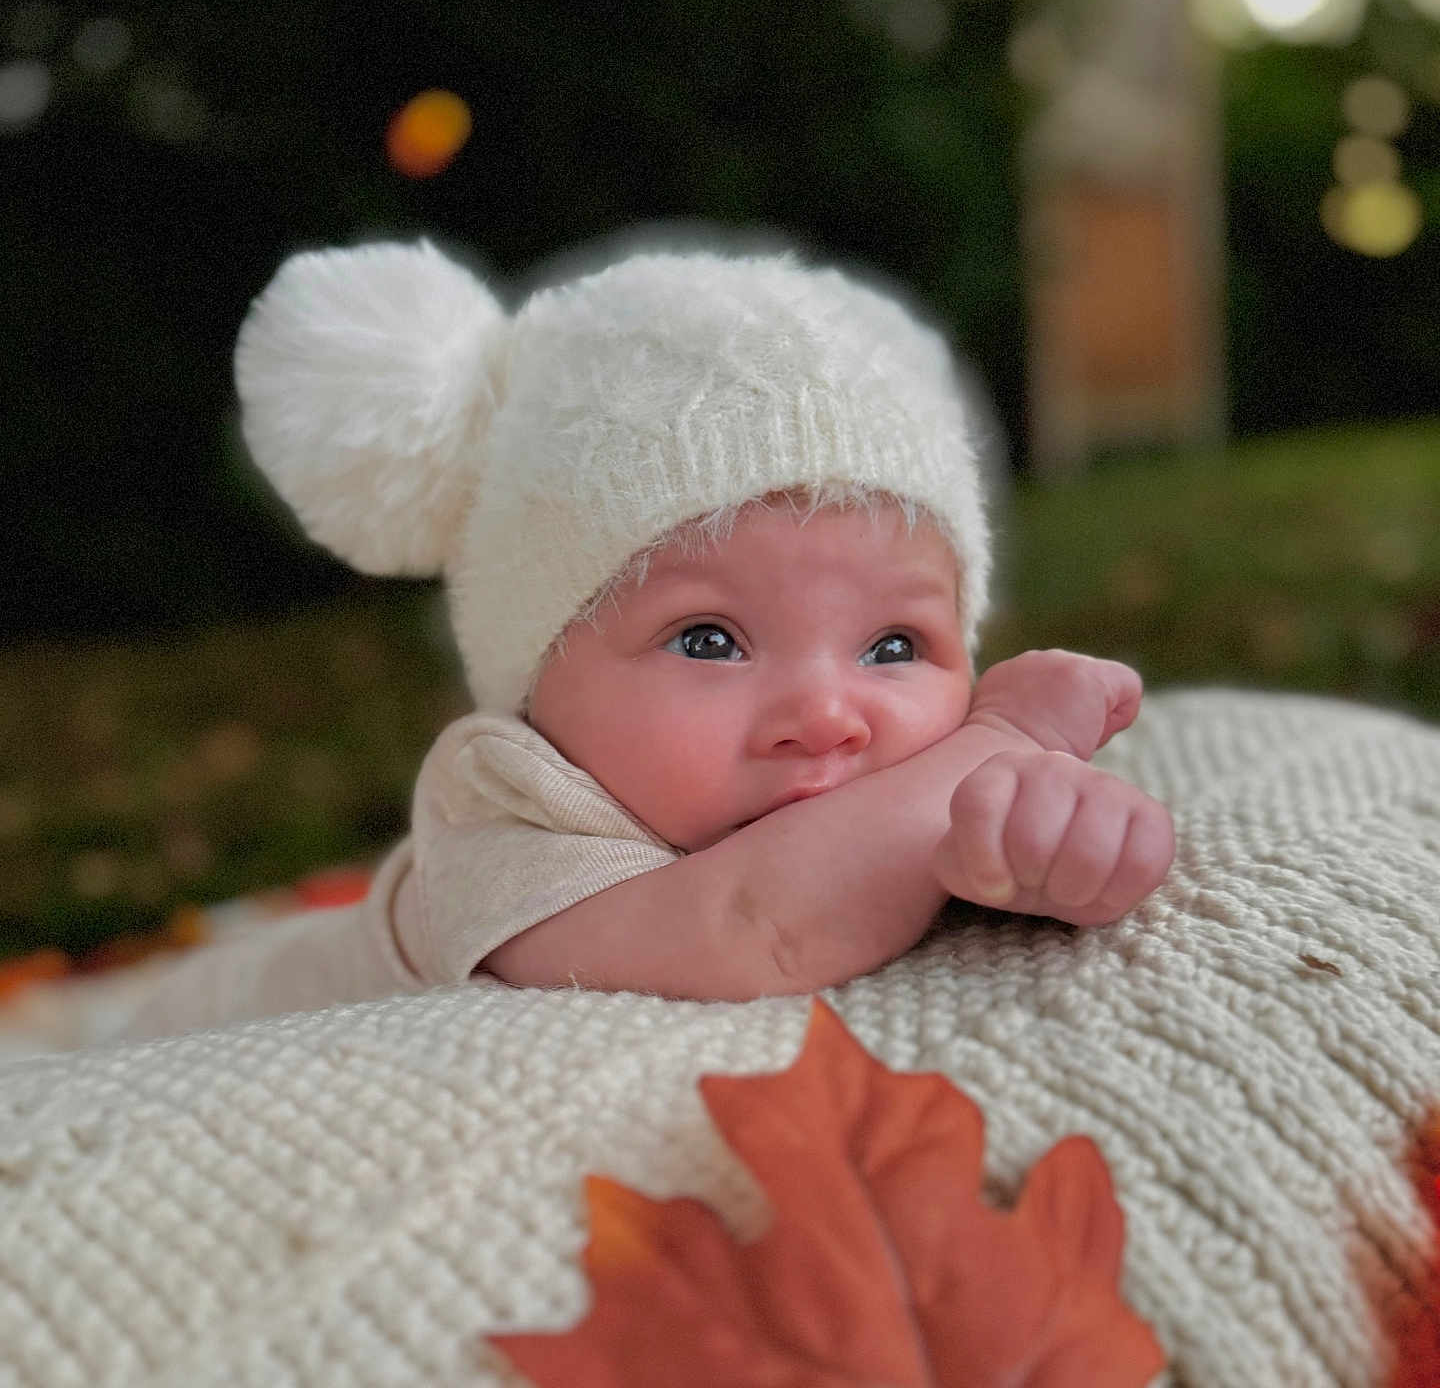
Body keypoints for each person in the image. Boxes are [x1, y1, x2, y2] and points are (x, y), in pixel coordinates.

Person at [113, 240, 1172, 1039]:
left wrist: (1048, 848)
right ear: (535, 680)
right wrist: (996, 748)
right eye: (708, 640)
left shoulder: (890, 797)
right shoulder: (505, 819)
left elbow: (893, 864)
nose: (826, 718)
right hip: (160, 1041)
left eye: (894, 647)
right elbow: (760, 923)